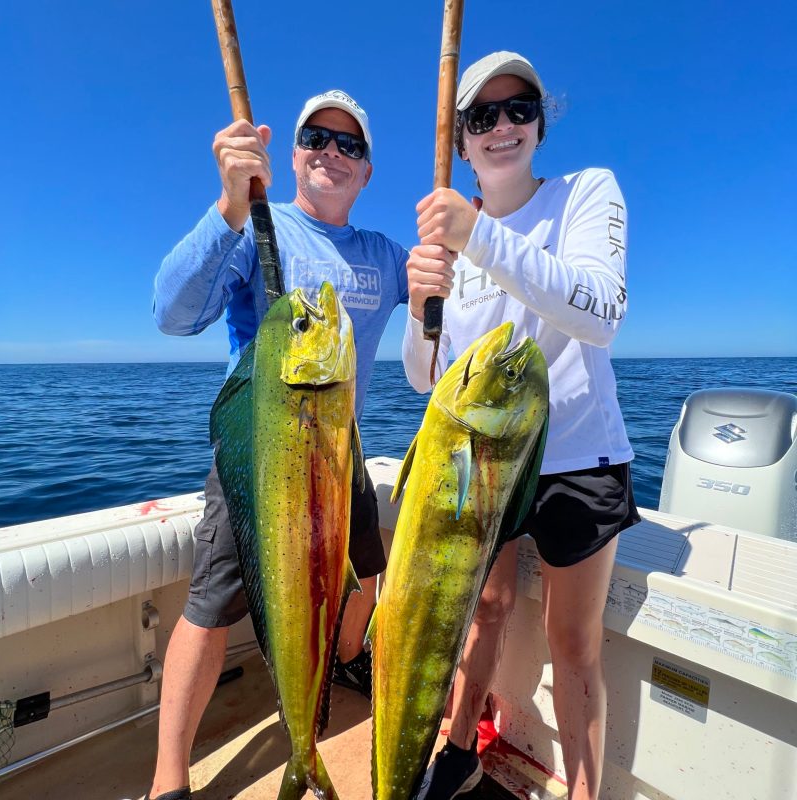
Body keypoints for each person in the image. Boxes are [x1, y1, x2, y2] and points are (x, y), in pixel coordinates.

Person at [148, 89, 409, 800]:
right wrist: (231, 203)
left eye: (349, 144)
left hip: (341, 449)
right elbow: (172, 314)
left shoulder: (385, 256)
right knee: (212, 605)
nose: (332, 151)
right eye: (317, 138)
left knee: (365, 577)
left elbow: (456, 301)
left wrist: (475, 234)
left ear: (367, 171)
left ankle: (339, 671)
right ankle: (168, 776)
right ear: (293, 155)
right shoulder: (259, 227)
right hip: (263, 457)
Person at [402, 52, 640, 800]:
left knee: (573, 646)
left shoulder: (584, 192)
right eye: (481, 117)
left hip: (579, 455)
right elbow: (424, 376)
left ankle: (582, 792)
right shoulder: (452, 241)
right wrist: (418, 312)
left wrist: (479, 237)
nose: (502, 127)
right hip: (486, 459)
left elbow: (602, 311)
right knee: (486, 611)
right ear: (462, 143)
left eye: (519, 109)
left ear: (539, 122)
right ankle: (461, 743)